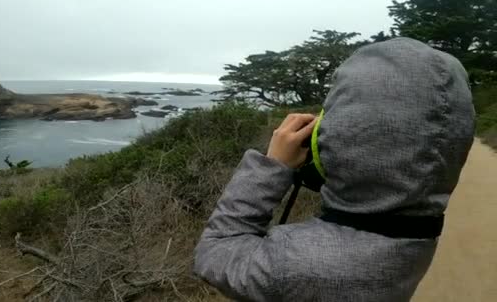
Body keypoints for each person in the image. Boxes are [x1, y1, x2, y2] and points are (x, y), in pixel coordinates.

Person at [193, 38, 475, 301]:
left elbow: (215, 252)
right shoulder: (417, 229)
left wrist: (272, 166)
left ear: (332, 139)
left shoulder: (294, 264)